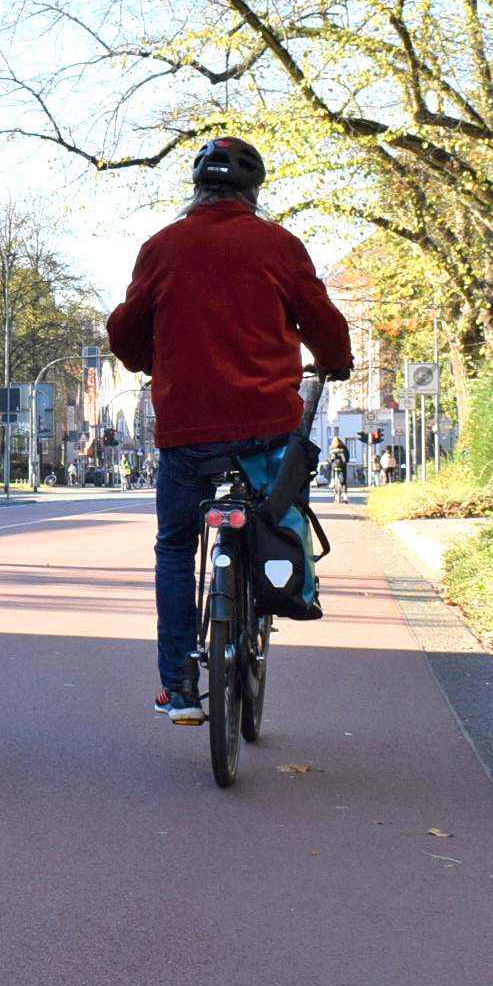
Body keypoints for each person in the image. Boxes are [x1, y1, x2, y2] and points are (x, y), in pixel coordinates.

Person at [105, 136, 353, 723]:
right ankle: (281, 595)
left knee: (174, 547)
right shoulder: (279, 245)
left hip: (187, 434)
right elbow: (324, 322)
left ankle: (180, 686)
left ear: (197, 190)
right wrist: (334, 358)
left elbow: (125, 330)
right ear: (252, 192)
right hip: (265, 427)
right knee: (274, 512)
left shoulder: (161, 247)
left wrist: (149, 359)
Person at [327, 435, 350, 505]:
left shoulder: (339, 449)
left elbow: (345, 458)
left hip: (339, 465)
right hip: (338, 465)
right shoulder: (338, 448)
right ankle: (344, 495)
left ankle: (344, 494)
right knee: (342, 481)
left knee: (342, 480)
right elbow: (347, 458)